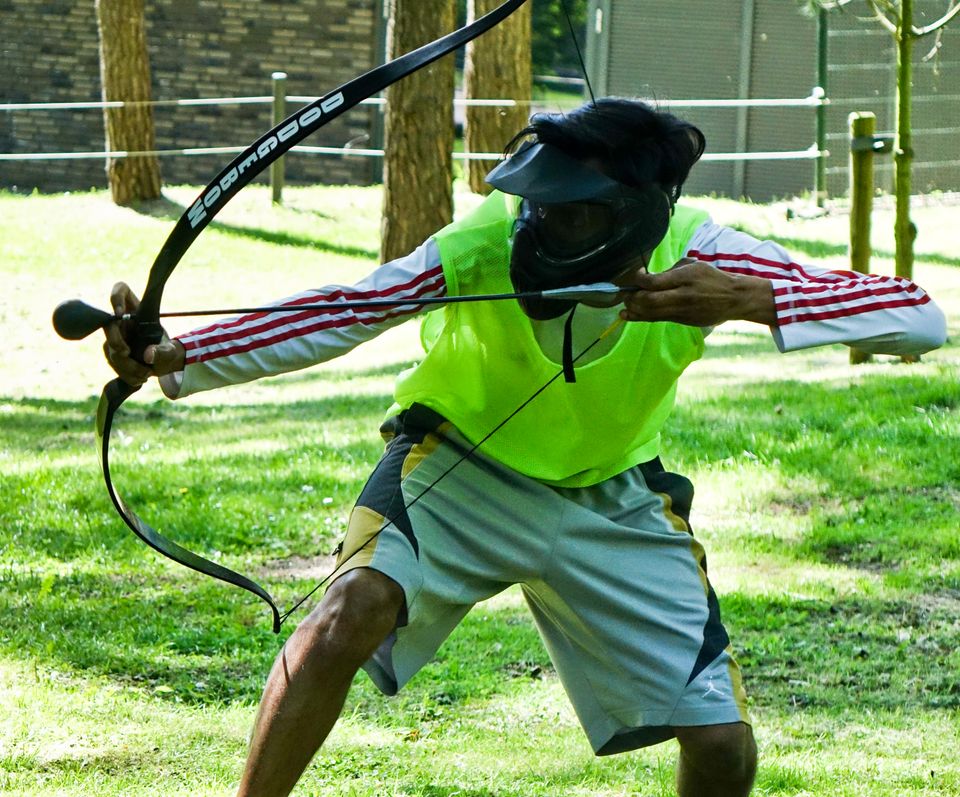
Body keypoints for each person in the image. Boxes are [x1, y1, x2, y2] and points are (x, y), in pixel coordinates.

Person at [104, 98, 947, 797]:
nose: (542, 221)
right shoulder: (483, 240)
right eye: (539, 202)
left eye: (572, 210)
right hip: (456, 467)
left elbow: (920, 315)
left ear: (635, 212)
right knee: (345, 613)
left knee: (722, 745)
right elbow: (345, 309)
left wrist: (750, 300)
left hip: (613, 496)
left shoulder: (706, 249)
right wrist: (179, 353)